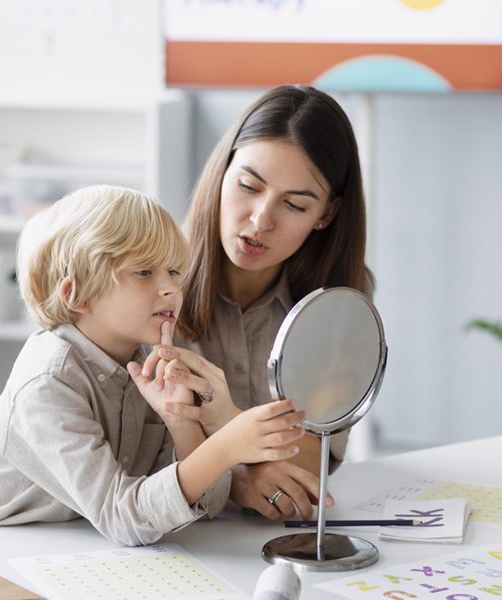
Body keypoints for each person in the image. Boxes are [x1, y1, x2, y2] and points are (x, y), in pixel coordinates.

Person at [0, 185, 306, 546]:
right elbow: (125, 518)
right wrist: (225, 446)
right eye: (144, 272)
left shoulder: (147, 365)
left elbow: (206, 504)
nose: (171, 289)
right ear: (77, 294)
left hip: (73, 550)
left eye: (174, 271)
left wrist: (181, 422)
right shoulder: (47, 382)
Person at [143, 85, 373, 521]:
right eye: (249, 185)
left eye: (295, 204)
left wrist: (223, 418)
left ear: (326, 214)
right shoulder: (149, 277)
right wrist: (241, 479)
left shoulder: (340, 300)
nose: (260, 220)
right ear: (223, 170)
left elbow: (310, 461)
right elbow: (135, 454)